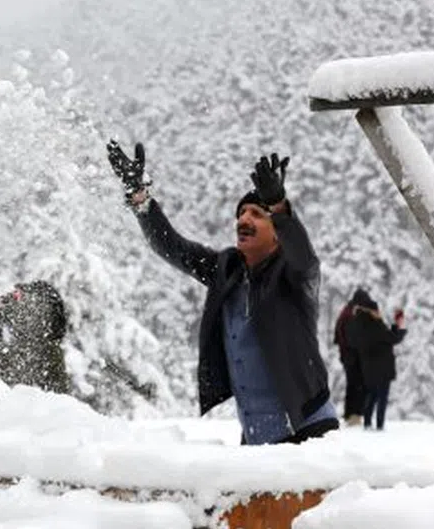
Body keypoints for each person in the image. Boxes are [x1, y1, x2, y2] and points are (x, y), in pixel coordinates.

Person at [107, 141, 339, 445]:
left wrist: (280, 206)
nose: (243, 220)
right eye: (241, 214)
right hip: (256, 435)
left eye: (256, 214)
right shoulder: (226, 270)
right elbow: (172, 247)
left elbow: (302, 254)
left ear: (278, 232)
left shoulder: (294, 276)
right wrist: (139, 196)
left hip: (307, 431)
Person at [0, 280, 70, 394]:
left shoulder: (33, 302)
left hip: (39, 351)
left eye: (17, 294)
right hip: (42, 349)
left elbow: (22, 321)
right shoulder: (38, 299)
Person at [345, 297, 406, 431]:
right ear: (371, 311)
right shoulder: (374, 325)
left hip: (368, 368)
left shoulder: (359, 325)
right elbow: (392, 338)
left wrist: (394, 327)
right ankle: (379, 426)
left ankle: (367, 423)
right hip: (382, 367)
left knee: (372, 395)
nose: (379, 313)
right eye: (377, 310)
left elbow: (385, 338)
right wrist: (399, 325)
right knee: (382, 398)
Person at [333, 288, 372, 426]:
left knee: (355, 385)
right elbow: (352, 339)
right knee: (357, 385)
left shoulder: (348, 312)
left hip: (350, 357)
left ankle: (353, 415)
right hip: (352, 358)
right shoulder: (350, 315)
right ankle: (353, 415)